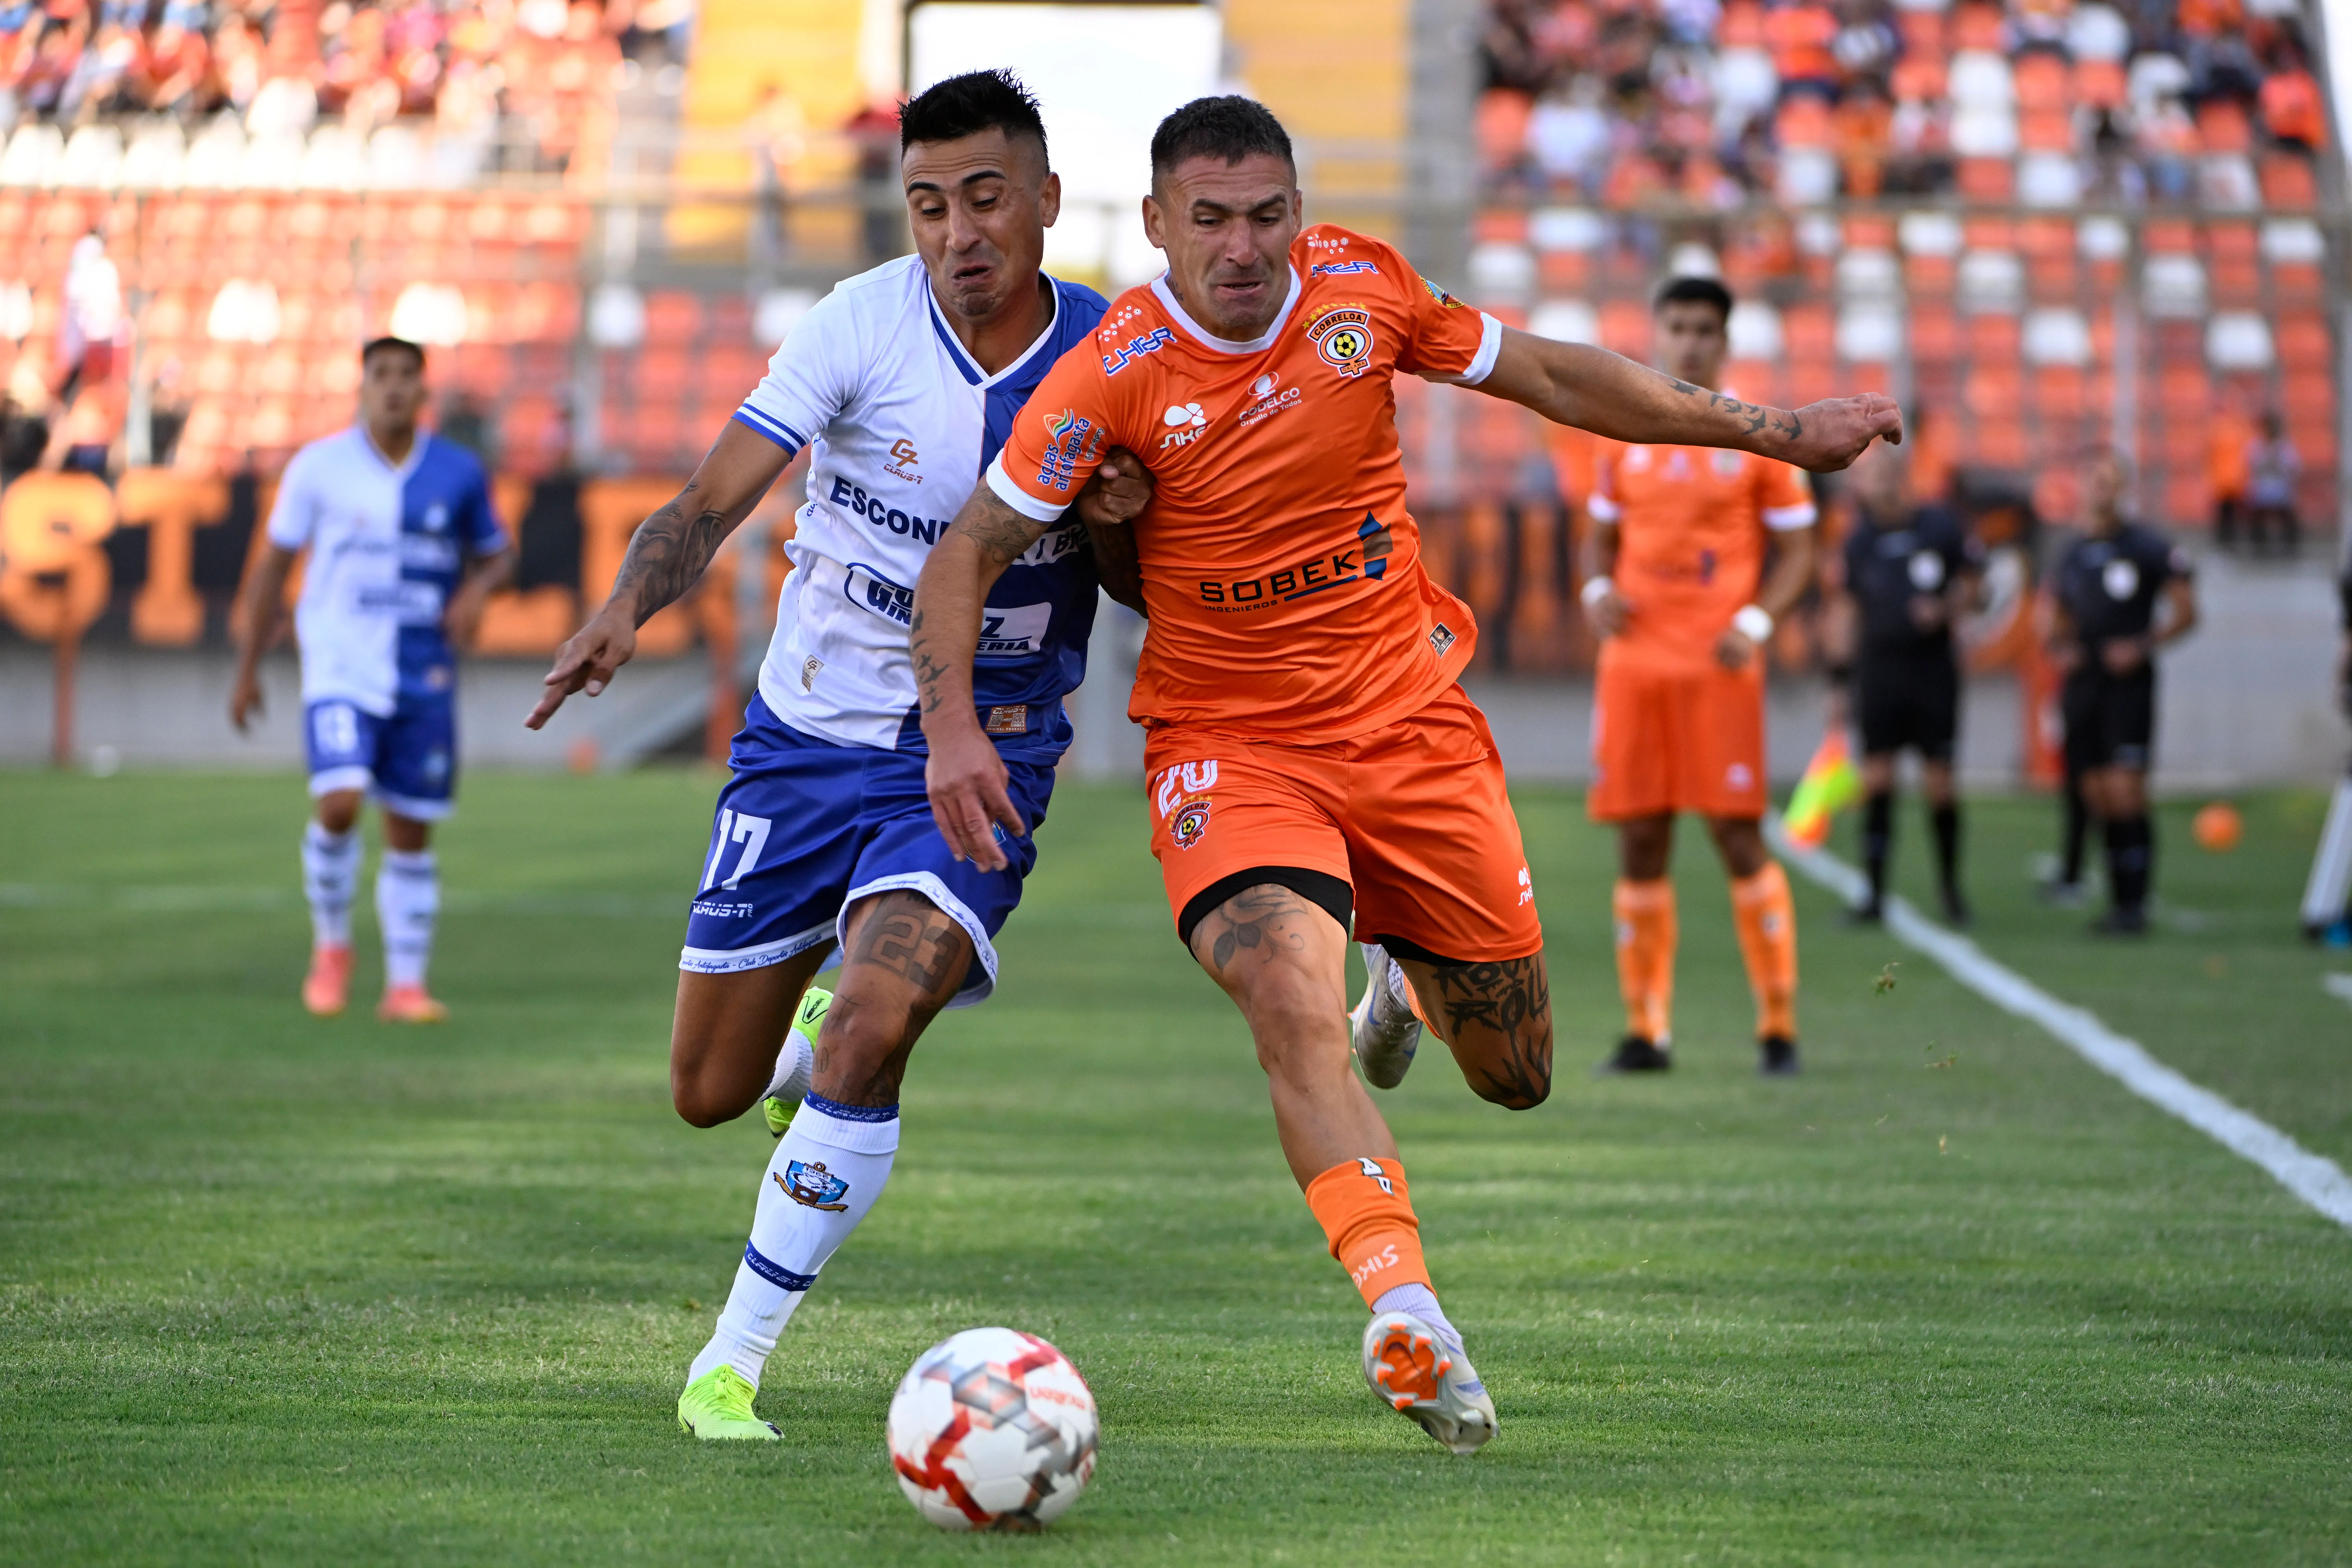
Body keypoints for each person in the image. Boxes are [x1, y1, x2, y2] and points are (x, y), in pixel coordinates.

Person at [913, 96, 1898, 1455]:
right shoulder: (1112, 375)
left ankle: (1406, 983)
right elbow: (968, 545)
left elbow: (1551, 374)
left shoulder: (1364, 288)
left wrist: (1773, 432)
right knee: (1280, 995)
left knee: (1516, 1072)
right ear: (1155, 225)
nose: (1243, 248)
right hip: (1227, 742)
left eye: (1266, 215)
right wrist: (952, 724)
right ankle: (1408, 1312)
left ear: (1298, 214)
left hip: (1408, 728)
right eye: (1209, 220)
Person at [523, 70, 1151, 1444]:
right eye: (926, 203)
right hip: (805, 739)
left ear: (1046, 200)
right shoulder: (857, 322)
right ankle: (808, 1015)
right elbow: (707, 502)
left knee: (876, 1023)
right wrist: (625, 609)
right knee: (707, 1094)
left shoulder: (1117, 357)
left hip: (982, 754)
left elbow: (1141, 584)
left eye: (984, 197)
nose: (955, 231)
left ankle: (727, 1366)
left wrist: (1119, 514)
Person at [228, 336, 515, 1022]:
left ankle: (406, 986)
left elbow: (498, 554)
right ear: (362, 386)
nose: (393, 387)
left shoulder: (457, 471)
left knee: (411, 828)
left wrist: (477, 594)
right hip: (339, 666)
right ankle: (332, 946)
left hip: (425, 673)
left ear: (423, 391)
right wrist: (247, 666)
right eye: (381, 375)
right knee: (340, 801)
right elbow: (272, 565)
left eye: (406, 376)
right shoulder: (319, 468)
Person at [1579, 275, 1820, 1078]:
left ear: (1724, 341)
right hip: (1636, 665)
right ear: (1657, 332)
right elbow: (1595, 539)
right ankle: (1646, 1031)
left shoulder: (1755, 436)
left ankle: (1777, 1027)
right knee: (1641, 837)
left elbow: (1799, 551)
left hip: (1719, 662)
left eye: (1702, 329)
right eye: (1675, 326)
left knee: (1735, 833)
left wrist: (1756, 621)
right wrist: (1595, 589)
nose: (1688, 341)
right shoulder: (1622, 432)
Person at [1826, 440, 1984, 923]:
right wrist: (1837, 681)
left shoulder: (1940, 526)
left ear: (1896, 480)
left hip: (1931, 670)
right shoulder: (1858, 540)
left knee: (1940, 782)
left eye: (1869, 478)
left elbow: (1977, 588)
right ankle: (1873, 896)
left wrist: (1944, 609)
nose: (1861, 489)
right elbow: (1846, 612)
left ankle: (1950, 891)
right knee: (1877, 778)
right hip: (1880, 670)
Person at [2048, 447, 2199, 934]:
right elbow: (2051, 618)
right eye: (2092, 479)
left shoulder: (2147, 546)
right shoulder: (2069, 552)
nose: (2100, 489)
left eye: (2109, 481)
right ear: (2080, 486)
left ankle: (2134, 904)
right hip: (2084, 684)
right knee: (2094, 791)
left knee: (2126, 789)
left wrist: (2141, 645)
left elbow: (2185, 611)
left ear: (2122, 489)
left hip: (2128, 687)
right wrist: (2059, 645)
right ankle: (2117, 904)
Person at [2243, 410, 2301, 558]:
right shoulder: (2256, 445)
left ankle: (2290, 549)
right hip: (2262, 490)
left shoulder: (2285, 447)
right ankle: (2259, 549)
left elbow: (2295, 467)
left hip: (2281, 490)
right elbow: (2251, 466)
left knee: (2289, 518)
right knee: (2257, 519)